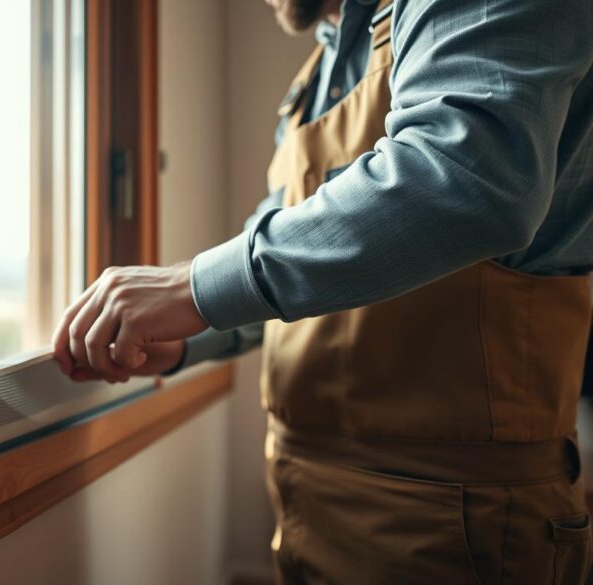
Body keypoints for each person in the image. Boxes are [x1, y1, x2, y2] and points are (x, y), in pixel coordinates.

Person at [52, 0, 593, 582]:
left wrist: (192, 286)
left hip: (457, 518)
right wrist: (191, 337)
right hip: (306, 504)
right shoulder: (315, 76)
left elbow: (469, 177)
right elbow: (311, 263)